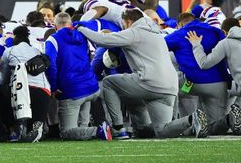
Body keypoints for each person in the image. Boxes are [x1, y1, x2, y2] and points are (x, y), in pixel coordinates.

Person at [77, 9, 180, 139]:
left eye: (124, 24)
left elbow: (102, 40)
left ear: (129, 22)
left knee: (108, 83)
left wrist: (81, 29)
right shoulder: (157, 33)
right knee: (162, 130)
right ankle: (192, 120)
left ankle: (118, 128)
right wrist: (114, 34)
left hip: (150, 82)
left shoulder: (134, 32)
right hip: (170, 86)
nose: (124, 27)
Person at [44, 13, 111, 141]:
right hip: (91, 87)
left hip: (72, 90)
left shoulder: (53, 39)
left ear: (54, 26)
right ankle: (97, 129)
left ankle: (98, 130)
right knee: (82, 127)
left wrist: (53, 87)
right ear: (70, 23)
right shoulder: (81, 35)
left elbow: (51, 65)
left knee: (67, 132)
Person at [163, 12, 230, 136]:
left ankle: (189, 122)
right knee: (216, 127)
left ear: (179, 25)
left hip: (191, 84)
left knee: (172, 87)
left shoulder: (179, 33)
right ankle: (228, 121)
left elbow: (157, 48)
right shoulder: (216, 32)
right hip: (218, 84)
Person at [0, 25, 52, 143]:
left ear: (15, 38)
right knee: (35, 124)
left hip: (21, 92)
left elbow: (2, 80)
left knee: (0, 92)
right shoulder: (37, 51)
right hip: (43, 92)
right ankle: (39, 126)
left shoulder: (9, 51)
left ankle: (13, 128)